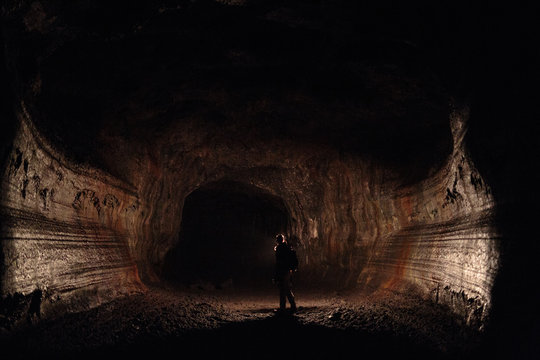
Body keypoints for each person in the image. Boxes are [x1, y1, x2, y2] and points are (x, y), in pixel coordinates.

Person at [273, 233, 298, 313]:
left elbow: (278, 263)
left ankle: (283, 307)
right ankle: (293, 306)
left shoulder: (279, 249)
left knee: (282, 290)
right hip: (287, 271)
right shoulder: (287, 248)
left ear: (278, 240)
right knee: (287, 289)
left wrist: (276, 275)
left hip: (282, 271)